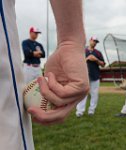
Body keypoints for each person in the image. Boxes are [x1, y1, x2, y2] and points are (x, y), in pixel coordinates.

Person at [0, 0, 89, 150]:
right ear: (30, 32)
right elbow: (29, 53)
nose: (36, 34)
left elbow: (42, 54)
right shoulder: (26, 43)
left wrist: (69, 41)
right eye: (35, 32)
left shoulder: (39, 44)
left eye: (37, 33)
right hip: (27, 67)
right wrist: (70, 40)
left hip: (36, 68)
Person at [76, 36, 105, 117]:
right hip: (84, 76)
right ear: (90, 40)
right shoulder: (82, 51)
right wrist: (87, 58)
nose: (95, 43)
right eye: (94, 41)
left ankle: (91, 111)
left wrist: (96, 60)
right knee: (83, 94)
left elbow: (103, 64)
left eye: (96, 41)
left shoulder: (98, 53)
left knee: (94, 94)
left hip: (95, 75)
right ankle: (80, 111)